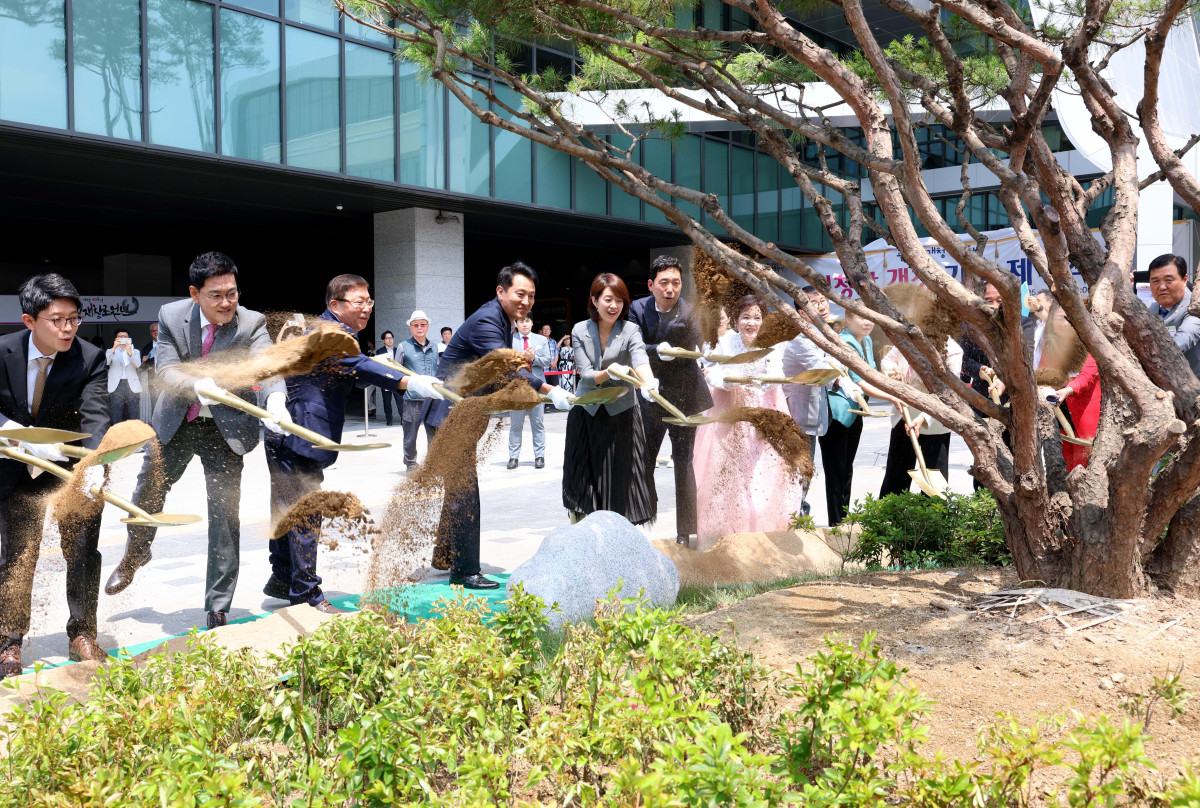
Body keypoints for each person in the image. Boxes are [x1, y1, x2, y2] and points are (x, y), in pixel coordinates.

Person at [104, 252, 287, 630]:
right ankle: (136, 552)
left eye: (232, 294)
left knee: (224, 515)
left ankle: (217, 604)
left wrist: (276, 399)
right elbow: (168, 370)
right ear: (195, 294)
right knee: (146, 493)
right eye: (216, 295)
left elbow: (268, 365)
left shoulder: (251, 323)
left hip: (227, 430)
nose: (226, 303)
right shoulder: (172, 315)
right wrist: (197, 385)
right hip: (177, 420)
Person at [263, 276, 442, 611]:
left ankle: (282, 578)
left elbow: (353, 372)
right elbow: (360, 367)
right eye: (358, 301)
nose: (366, 308)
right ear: (335, 305)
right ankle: (305, 592)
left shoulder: (332, 331)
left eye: (369, 301)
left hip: (287, 434)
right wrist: (409, 382)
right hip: (298, 433)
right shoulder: (330, 334)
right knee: (305, 511)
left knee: (286, 508)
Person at [431, 262, 573, 589]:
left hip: (462, 412)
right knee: (465, 490)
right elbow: (505, 367)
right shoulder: (486, 320)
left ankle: (443, 556)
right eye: (519, 293)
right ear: (501, 291)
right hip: (450, 413)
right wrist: (550, 391)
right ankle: (465, 571)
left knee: (457, 487)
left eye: (531, 296)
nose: (525, 301)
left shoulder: (502, 319)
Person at [0, 274, 109, 679]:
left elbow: (97, 412)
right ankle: (9, 639)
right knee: (15, 554)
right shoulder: (3, 352)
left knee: (82, 551)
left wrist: (94, 463)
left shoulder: (90, 357)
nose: (67, 329)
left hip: (70, 470)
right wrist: (17, 434)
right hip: (13, 470)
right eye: (57, 320)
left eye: (74, 319)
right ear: (30, 321)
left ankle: (82, 632)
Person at [694, 295, 802, 549]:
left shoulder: (773, 343)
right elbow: (713, 371)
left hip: (765, 408)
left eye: (757, 317)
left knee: (764, 471)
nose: (751, 323)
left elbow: (777, 371)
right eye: (745, 317)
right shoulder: (725, 342)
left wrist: (767, 381)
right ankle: (726, 535)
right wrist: (728, 381)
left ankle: (765, 533)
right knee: (727, 471)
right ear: (735, 320)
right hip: (729, 410)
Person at [627, 254, 713, 546]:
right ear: (651, 284)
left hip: (686, 396)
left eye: (676, 283)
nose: (670, 289)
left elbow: (703, 343)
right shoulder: (636, 310)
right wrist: (655, 351)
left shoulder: (690, 312)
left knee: (683, 461)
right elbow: (632, 345)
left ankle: (684, 533)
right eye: (664, 283)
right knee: (644, 459)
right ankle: (639, 520)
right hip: (650, 394)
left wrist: (710, 353)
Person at [563, 273, 659, 524]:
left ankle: (618, 532)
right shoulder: (579, 330)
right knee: (584, 476)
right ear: (594, 301)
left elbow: (639, 358)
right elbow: (585, 376)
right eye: (607, 299)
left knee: (619, 476)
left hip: (621, 413)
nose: (613, 306)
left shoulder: (630, 330)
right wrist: (611, 371)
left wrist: (649, 382)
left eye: (619, 300)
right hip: (587, 411)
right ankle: (585, 531)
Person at [822, 309, 898, 525]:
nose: (867, 323)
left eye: (870, 318)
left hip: (855, 411)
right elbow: (860, 382)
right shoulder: (844, 341)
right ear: (848, 318)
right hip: (837, 413)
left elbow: (871, 374)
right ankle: (836, 522)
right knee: (836, 470)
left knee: (847, 467)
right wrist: (893, 396)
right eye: (861, 317)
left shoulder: (865, 341)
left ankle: (844, 519)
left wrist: (894, 384)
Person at [878, 335, 964, 497]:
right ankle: (890, 519)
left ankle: (932, 522)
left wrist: (924, 418)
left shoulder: (952, 350)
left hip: (934, 423)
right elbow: (887, 361)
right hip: (904, 417)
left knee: (933, 484)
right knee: (896, 476)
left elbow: (948, 392)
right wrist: (894, 372)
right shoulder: (907, 338)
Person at [782, 287, 834, 517]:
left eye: (823, 301)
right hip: (799, 419)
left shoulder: (821, 334)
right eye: (815, 303)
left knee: (805, 470)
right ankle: (796, 516)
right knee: (800, 470)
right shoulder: (801, 339)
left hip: (814, 415)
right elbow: (824, 371)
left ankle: (798, 513)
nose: (822, 307)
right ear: (802, 313)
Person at [507, 317, 552, 469]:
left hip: (537, 387)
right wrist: (522, 358)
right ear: (516, 324)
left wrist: (534, 359)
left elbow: (548, 360)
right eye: (521, 321)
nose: (524, 324)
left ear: (532, 323)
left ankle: (539, 456)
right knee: (516, 424)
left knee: (537, 423)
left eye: (527, 321)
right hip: (517, 388)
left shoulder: (541, 339)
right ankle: (513, 457)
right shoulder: (510, 340)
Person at [397, 311, 440, 469]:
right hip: (412, 400)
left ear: (428, 327)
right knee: (410, 435)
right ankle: (411, 464)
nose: (419, 328)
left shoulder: (435, 347)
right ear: (411, 328)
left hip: (432, 399)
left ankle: (432, 465)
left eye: (423, 324)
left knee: (435, 435)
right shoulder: (403, 347)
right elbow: (397, 372)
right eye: (416, 325)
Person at [1147, 254, 1200, 378]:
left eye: (1169, 280)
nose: (1162, 287)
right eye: (1155, 281)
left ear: (1185, 279)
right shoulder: (1149, 308)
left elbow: (1185, 337)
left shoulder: (1195, 307)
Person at [105, 328, 142, 425]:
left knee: (134, 413)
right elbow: (106, 362)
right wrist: (114, 348)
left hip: (131, 385)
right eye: (120, 336)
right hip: (116, 385)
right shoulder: (110, 351)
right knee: (116, 413)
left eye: (125, 336)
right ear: (115, 339)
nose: (123, 338)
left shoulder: (135, 351)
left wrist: (130, 353)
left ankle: (135, 437)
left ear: (129, 338)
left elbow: (138, 364)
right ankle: (117, 437)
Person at [373, 331, 405, 427]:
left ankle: (403, 420)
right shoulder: (380, 351)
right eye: (387, 338)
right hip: (386, 379)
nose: (390, 340)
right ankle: (389, 420)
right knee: (387, 401)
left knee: (400, 400)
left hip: (397, 379)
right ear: (383, 340)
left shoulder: (397, 350)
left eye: (391, 337)